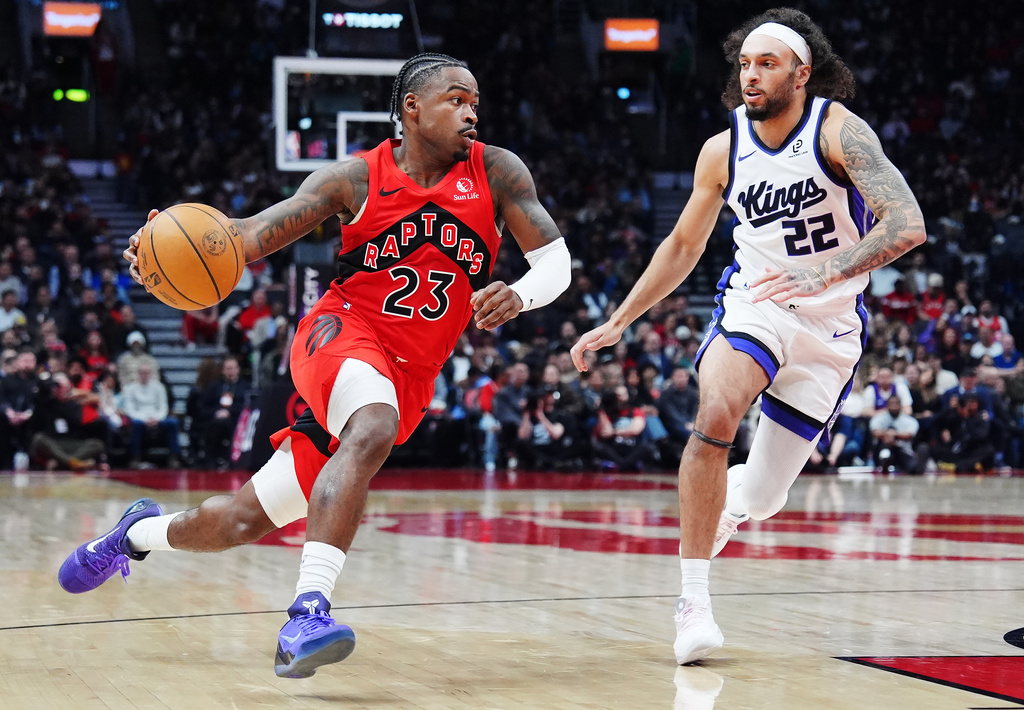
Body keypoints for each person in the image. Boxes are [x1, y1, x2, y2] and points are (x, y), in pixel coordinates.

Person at [58, 53, 570, 679]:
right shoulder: (354, 179)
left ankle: (132, 536)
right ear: (412, 108)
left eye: (475, 103)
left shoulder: (496, 171)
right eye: (456, 99)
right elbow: (246, 237)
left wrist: (521, 292)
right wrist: (164, 241)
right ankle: (308, 613)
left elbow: (555, 261)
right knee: (374, 423)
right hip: (341, 332)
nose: (472, 113)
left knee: (239, 520)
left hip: (410, 375)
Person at [570, 8, 925, 665]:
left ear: (802, 73)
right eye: (744, 64)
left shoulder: (839, 132)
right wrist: (620, 319)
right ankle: (693, 603)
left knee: (763, 500)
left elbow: (906, 224)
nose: (751, 75)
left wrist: (824, 271)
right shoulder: (722, 149)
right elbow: (683, 246)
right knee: (715, 413)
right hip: (755, 308)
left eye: (767, 63)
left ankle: (734, 500)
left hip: (830, 329)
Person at [121, 363, 182, 468]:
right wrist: (145, 419)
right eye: (142, 373)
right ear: (138, 374)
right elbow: (129, 409)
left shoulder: (159, 387)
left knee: (173, 422)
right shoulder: (130, 388)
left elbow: (163, 407)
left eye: (146, 373)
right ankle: (135, 457)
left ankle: (174, 458)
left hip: (157, 418)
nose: (144, 375)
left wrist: (156, 418)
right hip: (140, 419)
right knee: (135, 424)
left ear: (150, 374)